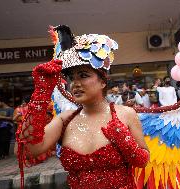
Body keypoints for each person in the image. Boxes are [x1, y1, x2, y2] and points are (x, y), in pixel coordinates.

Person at [15, 25, 149, 189]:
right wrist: (40, 94)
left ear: (102, 81)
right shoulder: (65, 120)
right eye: (71, 78)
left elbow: (143, 161)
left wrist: (124, 140)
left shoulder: (125, 114)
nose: (75, 84)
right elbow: (25, 152)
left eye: (83, 75)